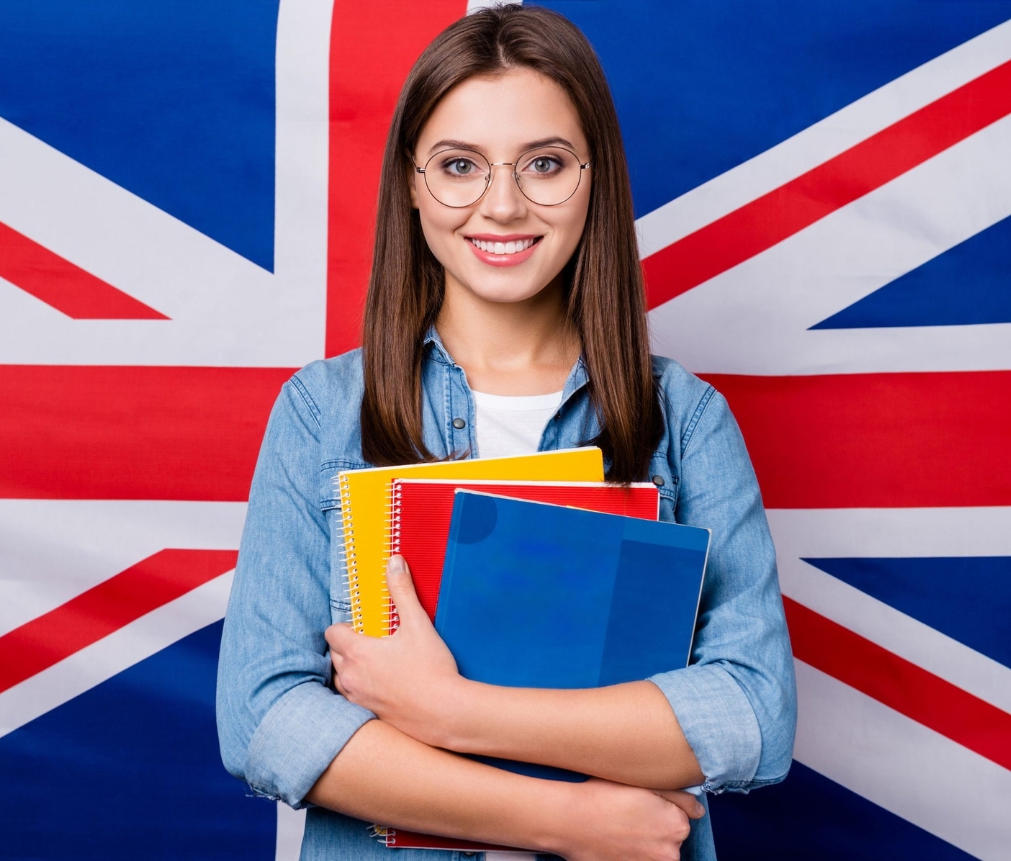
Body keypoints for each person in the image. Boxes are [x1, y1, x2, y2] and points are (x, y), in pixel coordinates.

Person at [216, 6, 795, 860]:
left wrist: (451, 710)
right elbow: (265, 720)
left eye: (546, 165)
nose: (503, 205)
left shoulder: (688, 422)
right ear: (411, 184)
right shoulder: (321, 413)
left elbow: (752, 716)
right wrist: (567, 821)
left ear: (595, 176)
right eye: (459, 166)